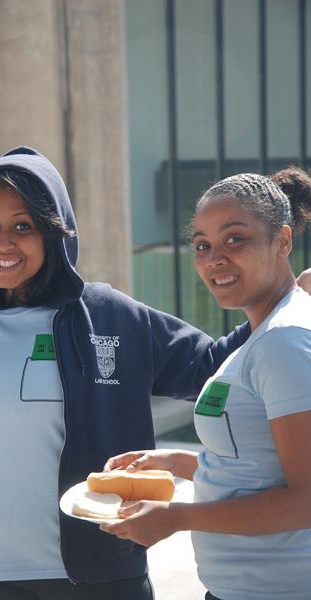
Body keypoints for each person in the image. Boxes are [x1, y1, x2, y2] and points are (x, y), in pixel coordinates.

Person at [0, 146, 255, 600]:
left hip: (96, 575)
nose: (3, 242)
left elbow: (213, 366)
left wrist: (283, 302)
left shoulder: (109, 316)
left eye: (23, 226)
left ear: (54, 233)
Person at [101, 167, 311, 600]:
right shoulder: (260, 338)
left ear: (283, 241)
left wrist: (177, 517)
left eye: (236, 238)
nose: (215, 257)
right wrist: (178, 463)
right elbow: (256, 470)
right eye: (202, 245)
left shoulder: (284, 341)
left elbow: (305, 501)